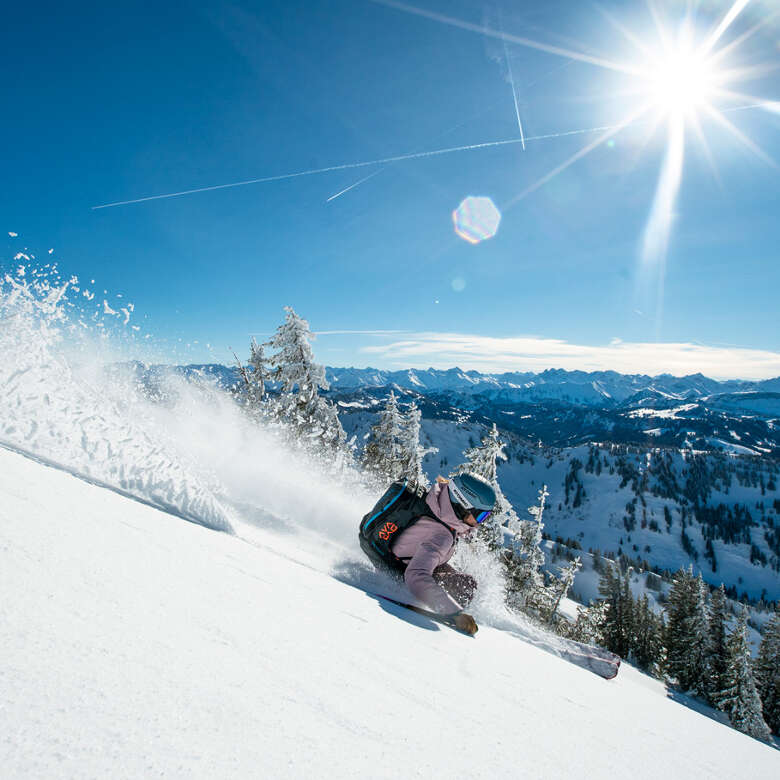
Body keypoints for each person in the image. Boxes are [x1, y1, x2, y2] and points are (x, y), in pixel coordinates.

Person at [390, 473, 497, 635]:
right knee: (465, 587)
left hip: (404, 554)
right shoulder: (442, 536)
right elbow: (416, 575)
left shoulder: (438, 504)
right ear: (463, 506)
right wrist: (454, 613)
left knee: (463, 582)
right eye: (481, 516)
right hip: (400, 566)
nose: (480, 523)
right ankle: (452, 608)